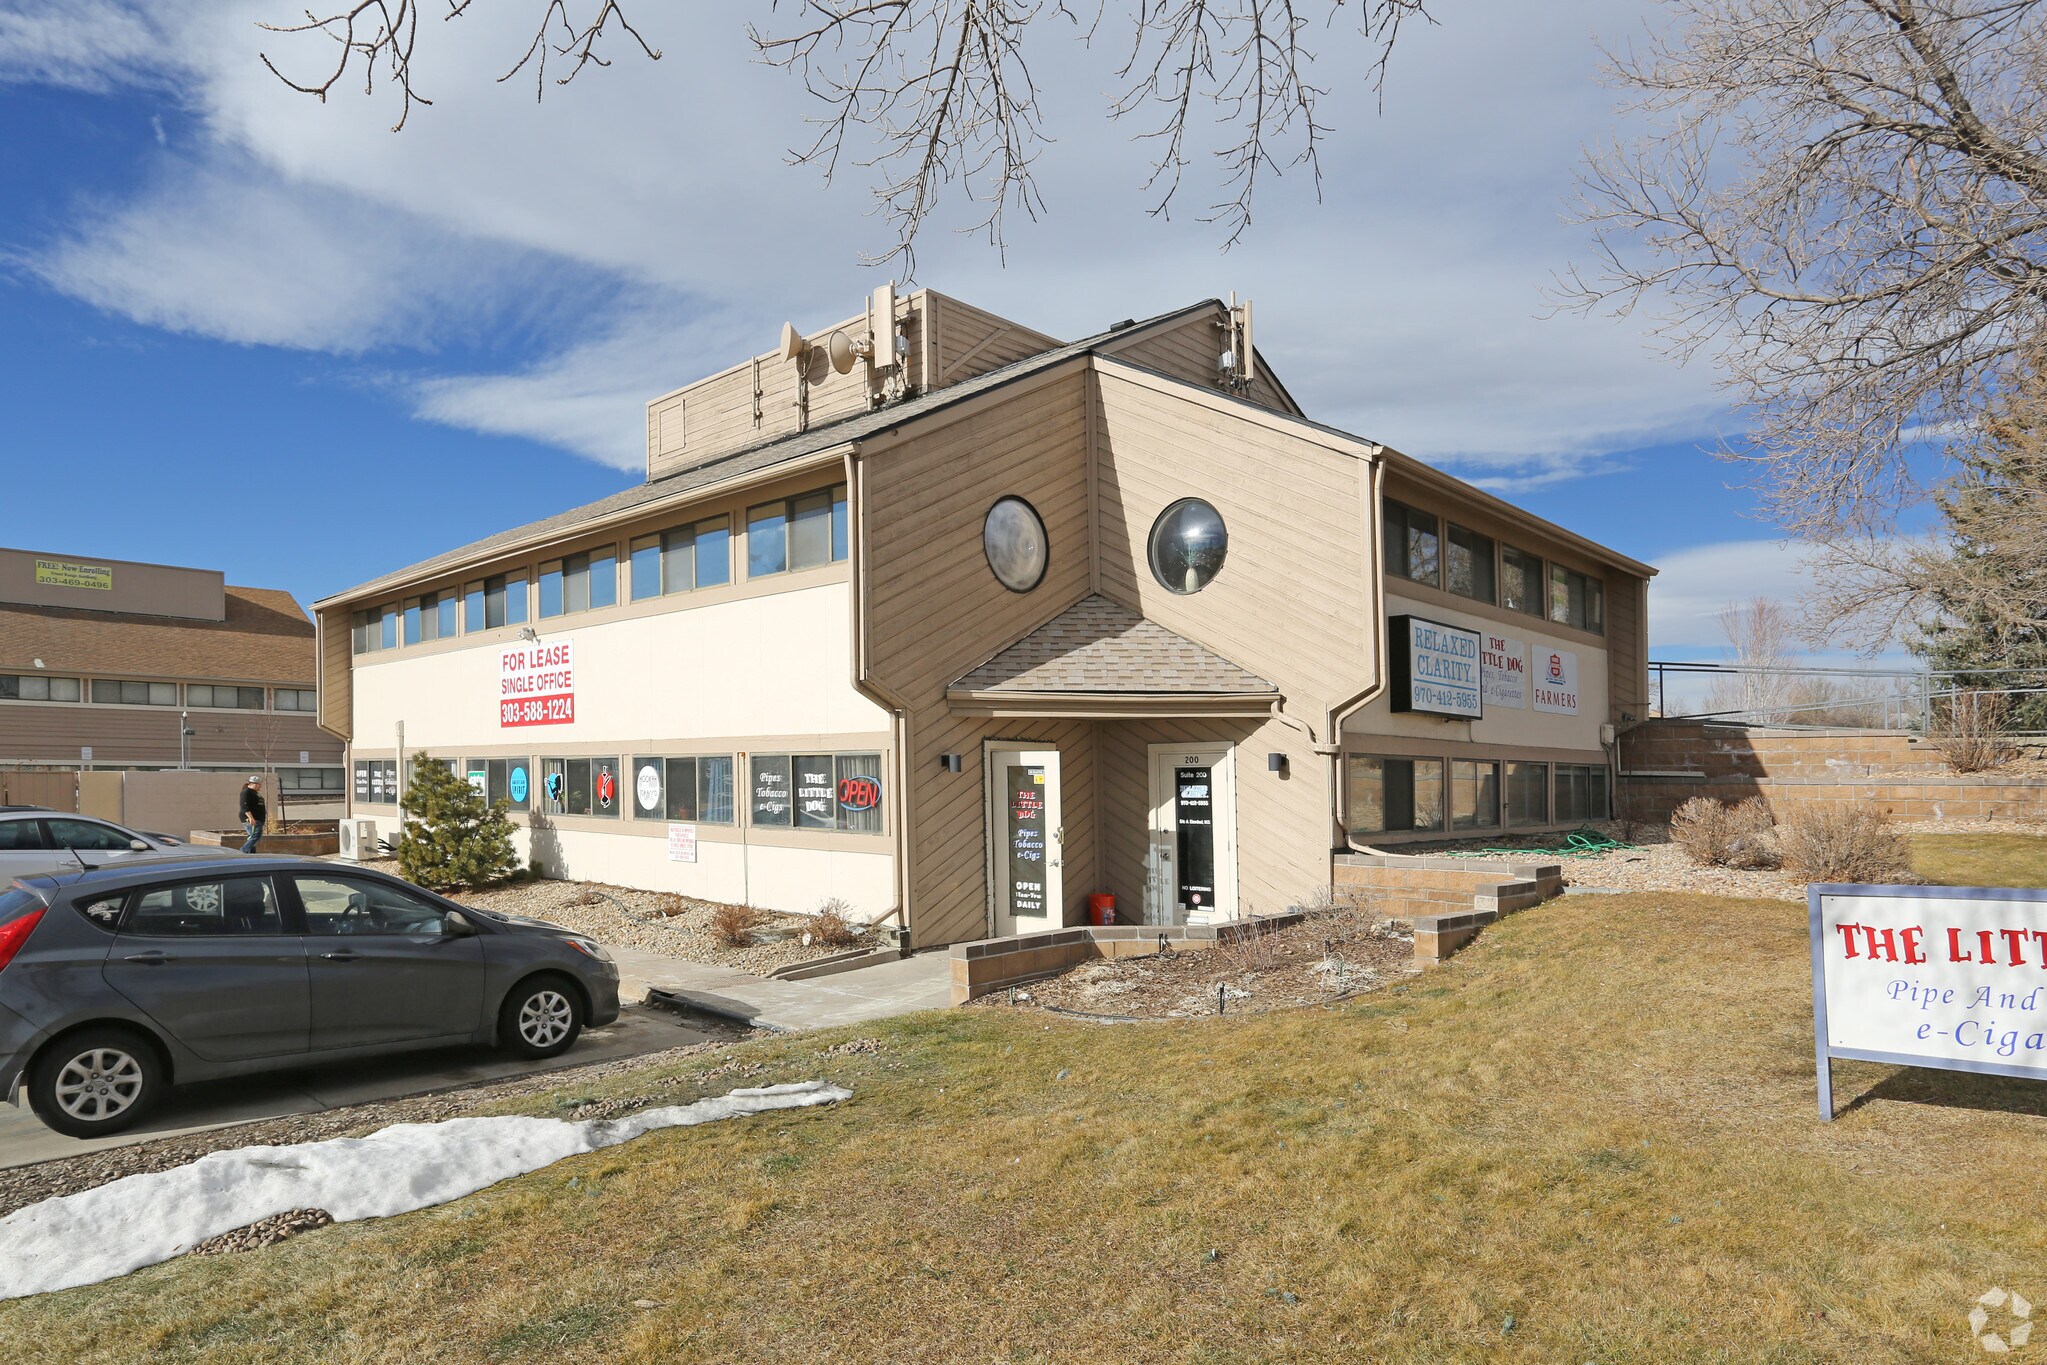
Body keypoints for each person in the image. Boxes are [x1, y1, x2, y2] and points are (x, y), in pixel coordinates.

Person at [238, 775, 267, 854]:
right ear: (254, 783)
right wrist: (251, 818)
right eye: (259, 784)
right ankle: (243, 851)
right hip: (252, 819)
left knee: (252, 837)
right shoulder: (246, 792)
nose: (260, 786)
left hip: (258, 819)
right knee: (255, 836)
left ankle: (251, 854)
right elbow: (244, 806)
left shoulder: (255, 793)